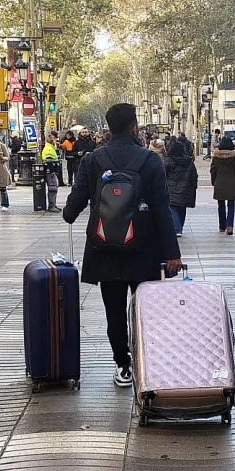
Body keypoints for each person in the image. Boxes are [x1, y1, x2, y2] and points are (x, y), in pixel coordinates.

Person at [62, 103, 181, 388]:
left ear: (108, 128)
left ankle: (123, 365)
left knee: (114, 312)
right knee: (147, 310)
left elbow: (73, 205)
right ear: (134, 127)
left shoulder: (92, 160)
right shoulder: (150, 161)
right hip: (144, 250)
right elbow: (162, 211)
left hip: (105, 250)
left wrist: (71, 210)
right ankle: (147, 362)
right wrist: (172, 254)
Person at [165, 134, 198, 236]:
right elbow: (194, 175)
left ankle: (177, 228)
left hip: (171, 188)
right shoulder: (189, 162)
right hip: (185, 189)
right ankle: (180, 227)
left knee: (173, 207)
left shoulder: (168, 161)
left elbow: (163, 175)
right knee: (182, 208)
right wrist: (194, 186)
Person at [210, 135, 235, 235]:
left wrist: (213, 181)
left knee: (221, 204)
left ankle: (222, 226)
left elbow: (213, 170)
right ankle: (229, 226)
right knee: (231, 204)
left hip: (219, 182)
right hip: (232, 182)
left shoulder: (216, 156)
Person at [41, 132, 62, 213]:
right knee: (53, 188)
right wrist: (53, 172)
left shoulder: (49, 148)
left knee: (54, 188)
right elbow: (49, 161)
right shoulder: (49, 149)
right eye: (54, 139)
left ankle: (53, 204)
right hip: (51, 172)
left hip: (51, 171)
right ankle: (51, 205)